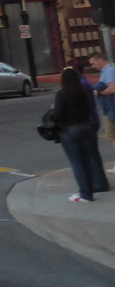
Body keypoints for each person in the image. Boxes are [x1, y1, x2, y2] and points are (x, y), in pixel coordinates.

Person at [51, 67, 109, 202]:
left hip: (71, 129)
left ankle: (85, 193)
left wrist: (53, 109)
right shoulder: (82, 92)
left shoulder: (62, 94)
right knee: (87, 160)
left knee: (77, 162)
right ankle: (90, 190)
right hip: (87, 128)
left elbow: (57, 115)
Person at [89, 52, 115, 173]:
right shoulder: (106, 71)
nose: (93, 66)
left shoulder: (108, 71)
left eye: (93, 63)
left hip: (111, 108)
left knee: (113, 136)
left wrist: (99, 93)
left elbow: (113, 88)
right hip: (109, 107)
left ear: (100, 60)